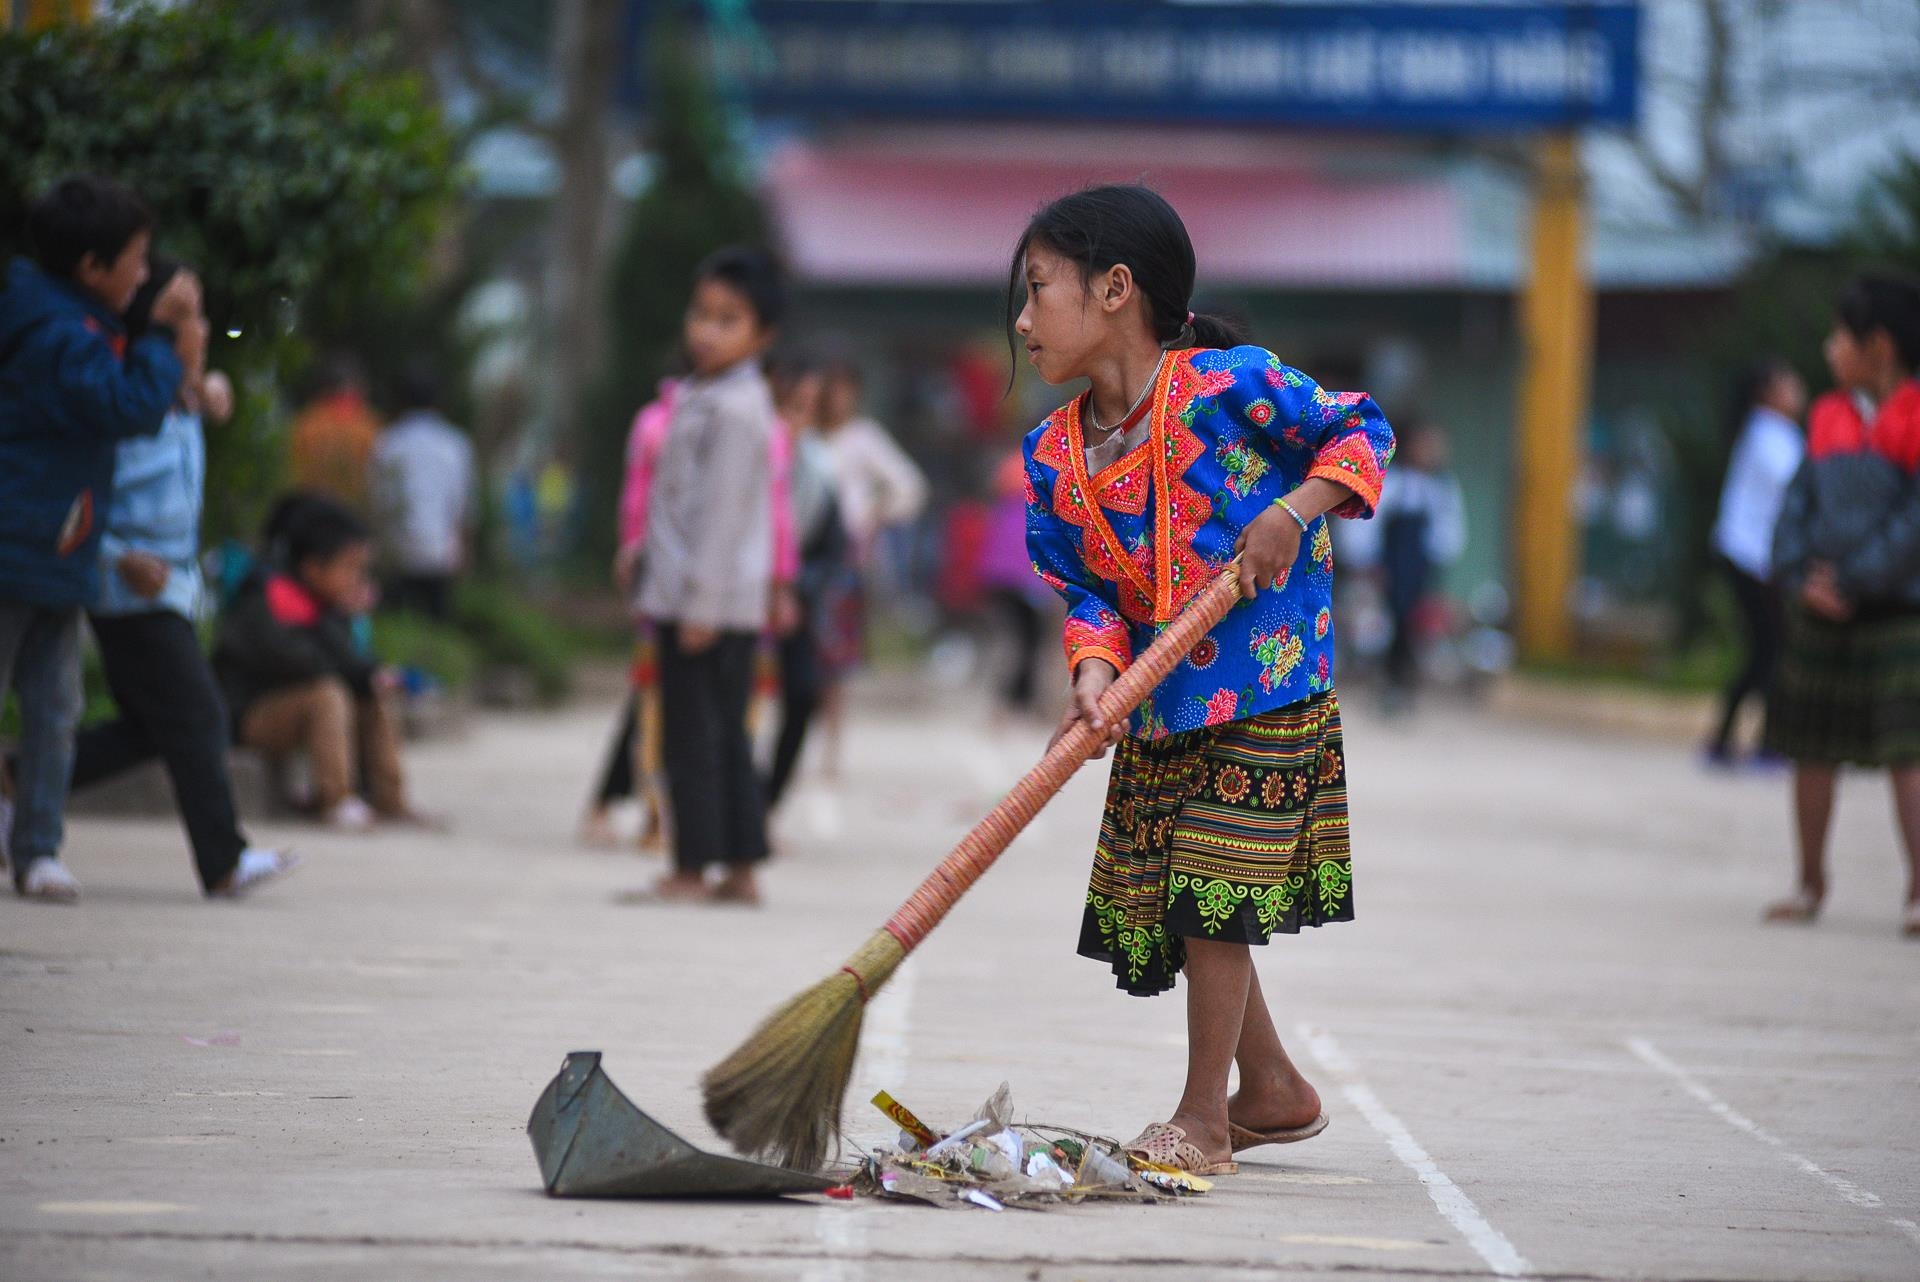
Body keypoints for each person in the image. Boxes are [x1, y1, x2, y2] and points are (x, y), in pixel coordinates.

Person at [1016, 185, 1394, 1174]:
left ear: (1114, 289)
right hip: (1157, 706)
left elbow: (1362, 432)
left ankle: (1203, 1119)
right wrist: (1094, 673)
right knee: (1193, 898)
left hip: (1266, 688)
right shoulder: (1053, 455)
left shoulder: (1234, 385)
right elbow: (1086, 592)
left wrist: (1296, 509)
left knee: (1211, 886)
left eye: (1037, 290)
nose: (1020, 321)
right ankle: (1271, 1087)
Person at [59, 258, 295, 896]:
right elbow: (77, 496)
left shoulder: (181, 397)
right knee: (199, 713)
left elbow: (202, 390)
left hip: (170, 588)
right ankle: (223, 859)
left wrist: (204, 382)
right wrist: (114, 556)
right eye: (183, 317)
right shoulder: (126, 404)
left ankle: (20, 777)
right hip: (130, 588)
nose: (203, 328)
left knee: (149, 726)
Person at [0, 175, 196, 902]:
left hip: (58, 549)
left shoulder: (69, 322)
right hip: (17, 545)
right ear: (91, 268)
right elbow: (129, 408)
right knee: (41, 704)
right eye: (137, 261)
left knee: (56, 709)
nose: (144, 276)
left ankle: (38, 849)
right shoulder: (58, 336)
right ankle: (35, 847)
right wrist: (166, 338)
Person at [1766, 273, 1920, 937]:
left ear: (1878, 347)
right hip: (1821, 606)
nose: (1830, 349)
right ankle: (1809, 880)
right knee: (1812, 748)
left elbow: (1915, 522)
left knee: (1907, 754)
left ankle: (1918, 885)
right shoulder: (1826, 416)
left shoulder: (1914, 417)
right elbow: (1796, 504)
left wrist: (1856, 579)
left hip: (1893, 610)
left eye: (1840, 337)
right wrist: (1801, 572)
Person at [633, 247, 786, 904]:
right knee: (724, 734)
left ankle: (693, 868)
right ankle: (741, 868)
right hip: (710, 597)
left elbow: (722, 514)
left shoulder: (733, 408)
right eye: (702, 314)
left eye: (728, 320)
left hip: (706, 602)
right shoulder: (709, 395)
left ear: (761, 336)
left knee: (695, 741)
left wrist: (698, 603)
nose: (706, 330)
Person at [212, 495, 417, 832]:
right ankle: (334, 798)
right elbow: (302, 663)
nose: (358, 579)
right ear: (312, 567)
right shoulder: (269, 598)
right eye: (350, 567)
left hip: (294, 705)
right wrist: (352, 658)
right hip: (251, 715)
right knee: (328, 694)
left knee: (373, 689)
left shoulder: (324, 605)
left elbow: (349, 663)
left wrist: (370, 672)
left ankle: (389, 798)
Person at [814, 353, 929, 774]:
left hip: (843, 559)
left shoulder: (863, 438)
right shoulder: (803, 435)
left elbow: (910, 487)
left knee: (833, 660)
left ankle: (830, 746)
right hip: (801, 557)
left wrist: (876, 514)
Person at [1704, 358, 1806, 765]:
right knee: (1773, 649)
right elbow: (1798, 485)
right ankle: (1762, 745)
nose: (1797, 389)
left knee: (1767, 649)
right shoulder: (1768, 435)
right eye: (1788, 383)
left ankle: (1732, 742)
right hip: (1751, 557)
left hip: (1755, 558)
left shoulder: (1774, 433)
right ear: (1768, 393)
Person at [765, 348, 850, 810]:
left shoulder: (819, 468)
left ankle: (763, 806)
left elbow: (831, 547)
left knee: (803, 691)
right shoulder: (751, 452)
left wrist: (796, 590)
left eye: (807, 410)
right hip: (737, 596)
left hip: (791, 600)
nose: (796, 421)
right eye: (790, 406)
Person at [371, 360, 477, 620]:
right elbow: (464, 507)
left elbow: (379, 503)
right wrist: (465, 551)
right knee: (437, 624)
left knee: (398, 623)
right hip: (441, 554)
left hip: (397, 554)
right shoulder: (454, 444)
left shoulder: (388, 443)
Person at [1372, 419, 1466, 713]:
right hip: (1393, 565)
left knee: (1415, 623)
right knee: (1392, 621)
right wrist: (1372, 561)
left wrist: (1437, 564)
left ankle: (1405, 683)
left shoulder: (1441, 488)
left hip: (1420, 567)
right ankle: (1389, 680)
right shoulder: (1394, 482)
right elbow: (1370, 524)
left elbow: (1448, 530)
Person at [288, 353, 380, 510]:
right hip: (357, 514)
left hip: (313, 509)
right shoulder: (369, 425)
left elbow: (294, 473)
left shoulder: (307, 422)